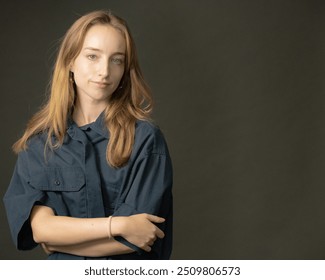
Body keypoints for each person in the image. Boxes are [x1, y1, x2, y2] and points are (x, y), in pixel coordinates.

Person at [3, 10, 173, 260]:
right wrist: (119, 225)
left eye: (117, 60)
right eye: (92, 56)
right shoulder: (40, 144)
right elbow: (40, 230)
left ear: (126, 69)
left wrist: (61, 241)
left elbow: (139, 239)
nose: (104, 71)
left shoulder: (145, 139)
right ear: (70, 61)